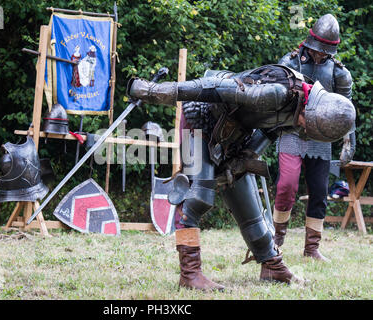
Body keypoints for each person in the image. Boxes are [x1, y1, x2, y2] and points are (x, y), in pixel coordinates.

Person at [127, 62, 355, 291]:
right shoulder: (276, 92)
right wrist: (153, 91)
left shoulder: (303, 104)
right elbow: (211, 87)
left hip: (234, 133)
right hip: (200, 118)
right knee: (197, 197)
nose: (305, 129)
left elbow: (270, 128)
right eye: (308, 124)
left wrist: (246, 156)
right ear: (311, 110)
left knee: (249, 206)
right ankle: (190, 273)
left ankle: (272, 266)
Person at [272, 14, 355, 262]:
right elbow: (276, 99)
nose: (321, 55)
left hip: (322, 138)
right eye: (319, 50)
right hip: (292, 132)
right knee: (286, 185)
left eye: (326, 51)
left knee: (319, 192)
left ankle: (312, 248)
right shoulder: (290, 63)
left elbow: (345, 110)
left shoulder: (340, 74)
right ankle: (275, 242)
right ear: (310, 43)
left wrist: (349, 141)